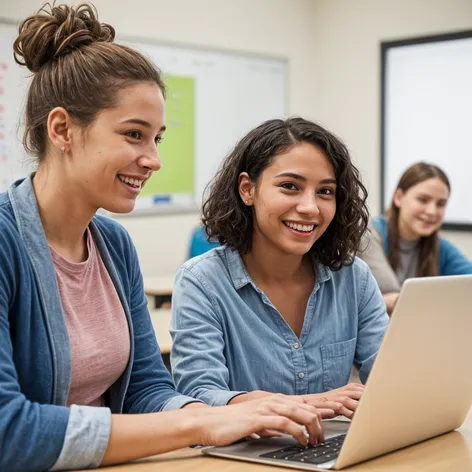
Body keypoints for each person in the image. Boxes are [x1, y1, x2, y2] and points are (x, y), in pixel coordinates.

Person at [0, 5, 325, 471]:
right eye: (135, 135)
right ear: (62, 129)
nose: (153, 159)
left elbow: (145, 388)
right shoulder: (6, 242)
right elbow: (9, 431)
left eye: (157, 139)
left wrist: (229, 414)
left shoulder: (113, 245)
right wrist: (199, 426)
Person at [170, 117, 390, 418]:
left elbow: (391, 378)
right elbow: (200, 396)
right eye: (290, 186)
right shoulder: (202, 281)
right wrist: (309, 405)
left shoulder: (354, 277)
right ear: (247, 189)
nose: (310, 207)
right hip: (243, 455)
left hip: (328, 451)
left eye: (325, 192)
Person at [359, 162, 472, 314]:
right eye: (423, 200)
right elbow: (396, 298)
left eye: (440, 204)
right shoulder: (369, 235)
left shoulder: (439, 247)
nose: (432, 211)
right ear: (398, 197)